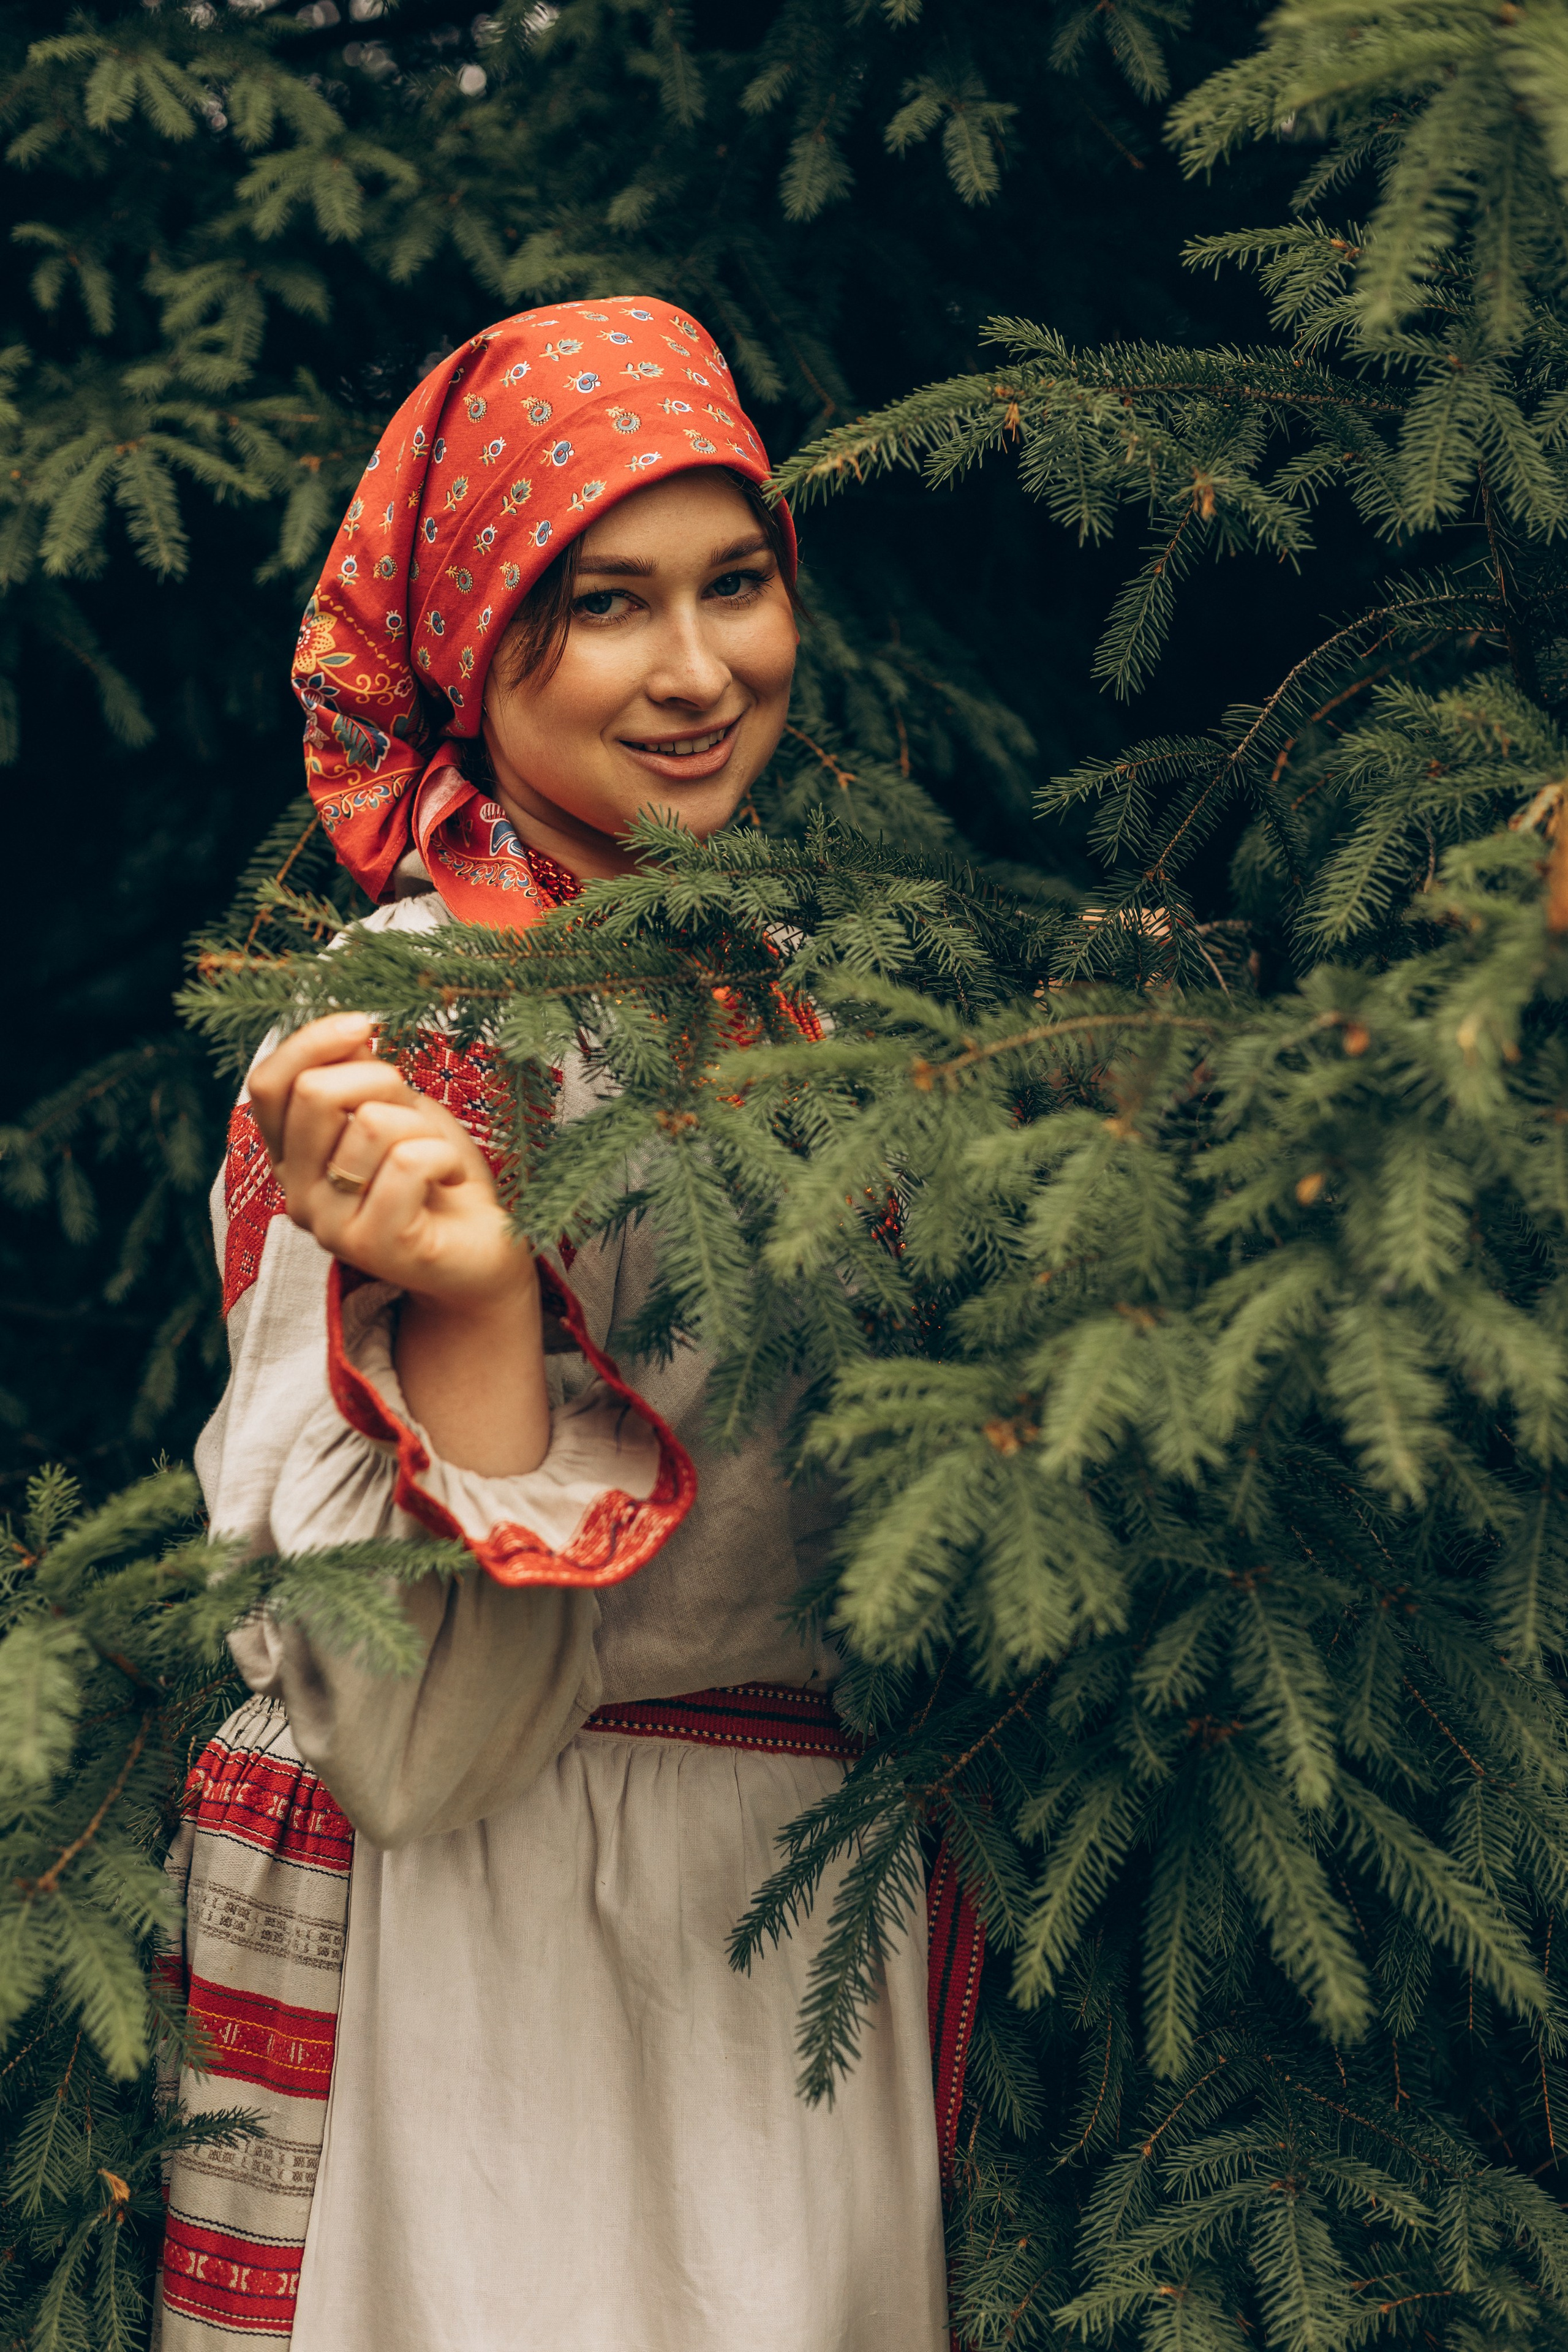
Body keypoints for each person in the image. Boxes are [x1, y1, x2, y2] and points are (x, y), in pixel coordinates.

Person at [154, 299, 976, 2352]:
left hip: (794, 1919)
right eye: (605, 606)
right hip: (510, 1944)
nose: (698, 675)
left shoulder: (809, 987)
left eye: (737, 586)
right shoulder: (418, 1022)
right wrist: (474, 1293)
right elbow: (409, 1748)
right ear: (472, 637)